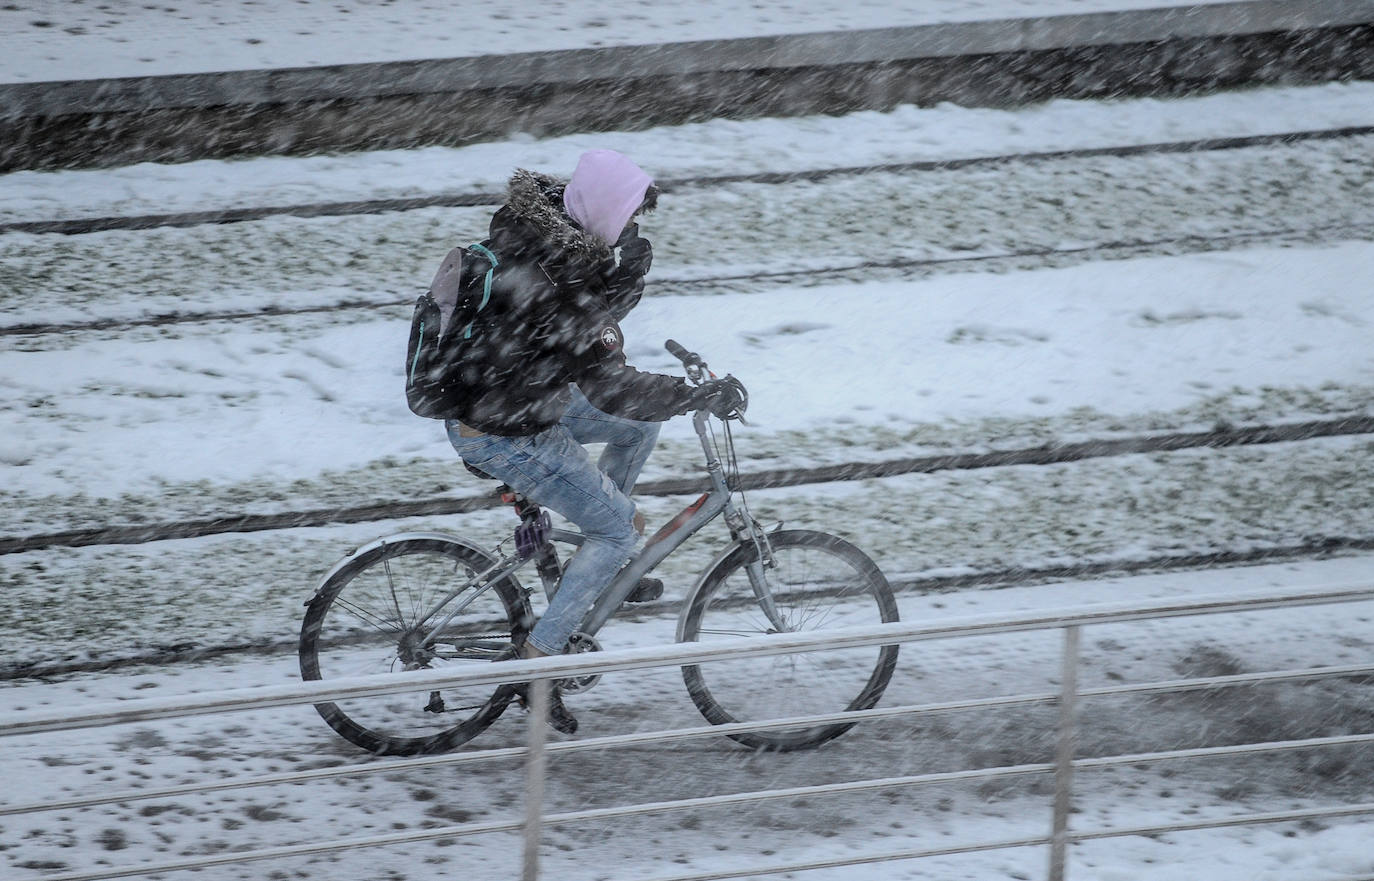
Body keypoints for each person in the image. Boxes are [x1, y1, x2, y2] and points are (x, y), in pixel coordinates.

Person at [439, 149, 740, 733]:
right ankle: (540, 666)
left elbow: (579, 343)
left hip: (511, 400)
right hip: (504, 428)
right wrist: (693, 395)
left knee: (639, 428)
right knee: (620, 525)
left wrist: (620, 280)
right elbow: (608, 381)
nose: (633, 232)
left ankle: (597, 562)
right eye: (629, 220)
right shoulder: (563, 275)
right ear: (604, 214)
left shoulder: (544, 242)